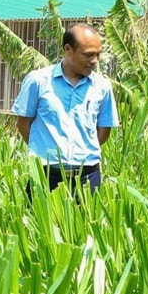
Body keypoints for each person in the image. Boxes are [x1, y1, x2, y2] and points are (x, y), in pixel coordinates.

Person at [13, 23, 118, 196]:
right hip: (46, 176)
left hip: (87, 177)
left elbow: (104, 131)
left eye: (98, 54)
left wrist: (81, 151)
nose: (94, 61)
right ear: (68, 49)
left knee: (87, 223)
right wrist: (45, 149)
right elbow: (23, 124)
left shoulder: (102, 87)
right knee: (40, 223)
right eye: (88, 55)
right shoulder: (38, 81)